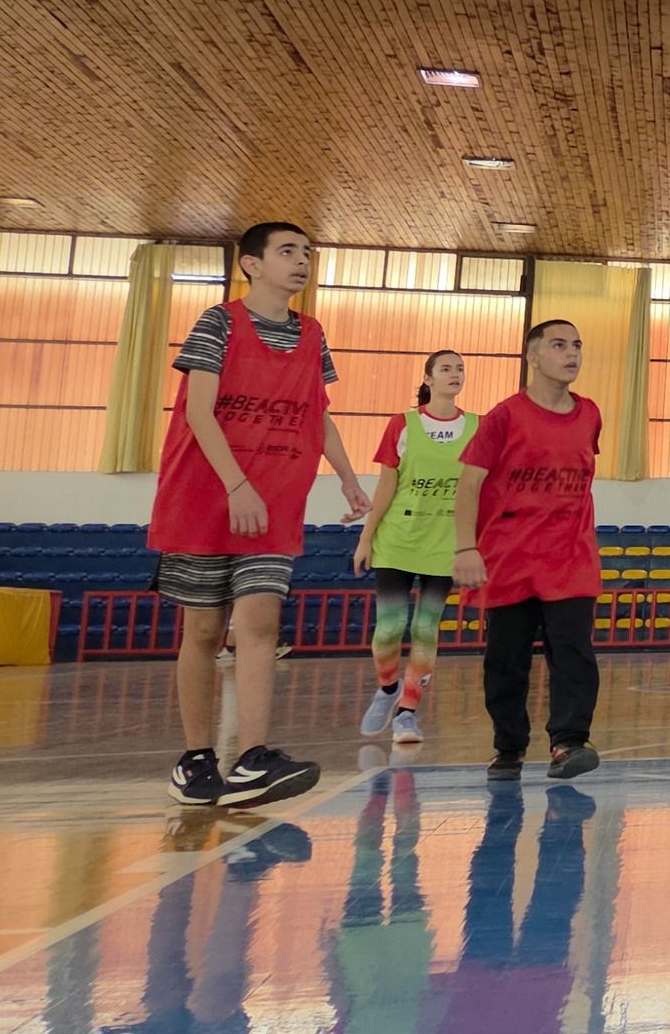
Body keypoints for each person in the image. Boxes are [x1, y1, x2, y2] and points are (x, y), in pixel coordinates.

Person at [151, 220, 366, 808]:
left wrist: (349, 479)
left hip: (273, 503)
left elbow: (317, 413)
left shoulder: (312, 333)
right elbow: (199, 412)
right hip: (204, 497)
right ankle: (196, 759)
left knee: (260, 624)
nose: (301, 261)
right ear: (252, 263)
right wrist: (236, 485)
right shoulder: (219, 323)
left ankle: (252, 757)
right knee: (203, 631)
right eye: (287, 251)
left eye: (306, 252)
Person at [453, 319, 605, 781]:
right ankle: (509, 746)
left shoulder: (590, 414)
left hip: (570, 555)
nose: (572, 353)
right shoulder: (504, 417)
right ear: (533, 357)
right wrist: (465, 547)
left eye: (577, 344)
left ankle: (569, 742)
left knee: (573, 651)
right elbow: (469, 484)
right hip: (511, 555)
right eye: (559, 345)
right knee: (506, 658)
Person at [350, 349, 473, 746]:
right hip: (398, 539)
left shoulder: (478, 427)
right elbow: (386, 486)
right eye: (446, 368)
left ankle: (407, 712)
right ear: (429, 378)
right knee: (389, 628)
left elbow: (481, 489)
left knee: (425, 628)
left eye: (460, 369)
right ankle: (387, 688)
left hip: (445, 543)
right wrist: (366, 538)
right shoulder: (402, 424)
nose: (455, 374)